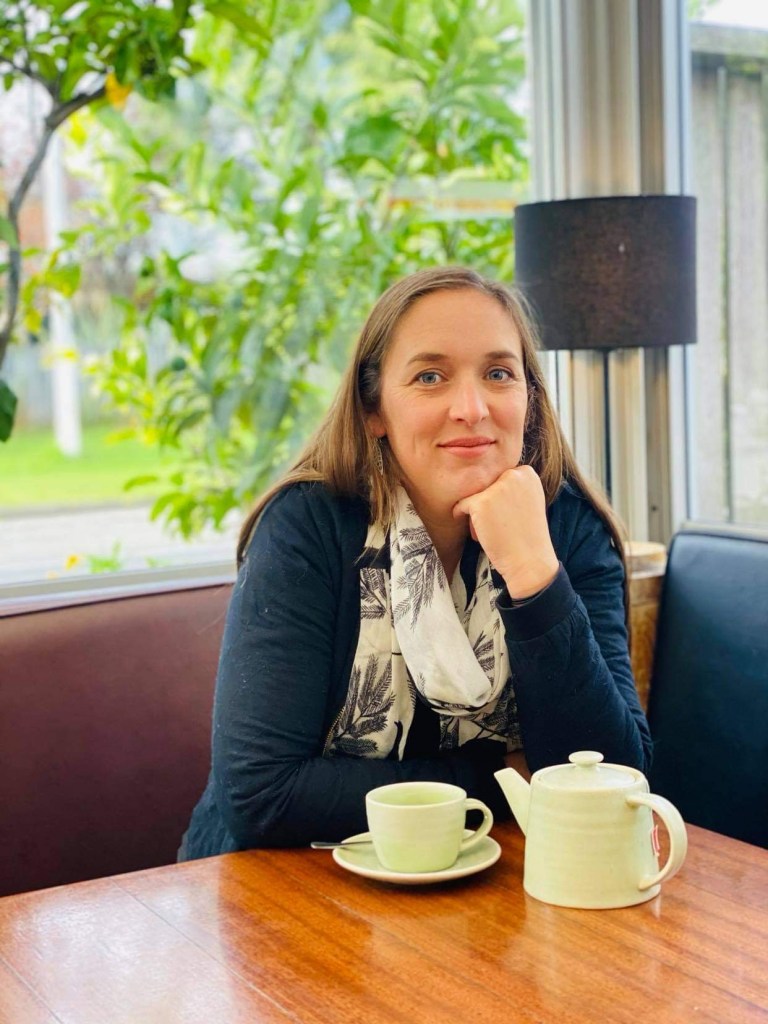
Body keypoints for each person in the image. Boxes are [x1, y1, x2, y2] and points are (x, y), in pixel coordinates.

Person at [179, 265, 651, 858]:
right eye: (430, 376)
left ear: (528, 399)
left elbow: (615, 779)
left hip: (496, 891)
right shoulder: (307, 527)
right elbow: (262, 798)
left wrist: (534, 575)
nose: (472, 407)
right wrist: (504, 776)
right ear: (374, 410)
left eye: (499, 373)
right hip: (284, 893)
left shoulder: (568, 530)